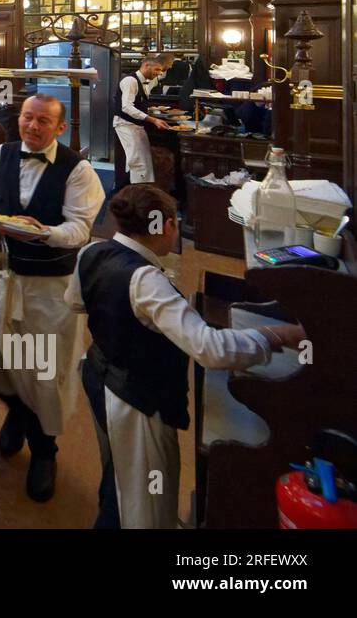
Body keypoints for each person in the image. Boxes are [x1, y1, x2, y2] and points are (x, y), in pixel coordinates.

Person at [67, 184, 305, 529]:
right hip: (137, 399)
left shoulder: (90, 253)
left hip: (97, 374)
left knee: (118, 469)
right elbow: (210, 348)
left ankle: (110, 512)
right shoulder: (145, 280)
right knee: (147, 502)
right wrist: (277, 335)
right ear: (165, 227)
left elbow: (75, 301)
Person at [0, 93, 105, 502]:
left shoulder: (78, 170)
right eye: (27, 118)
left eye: (42, 121)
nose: (32, 126)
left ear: (59, 127)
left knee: (44, 371)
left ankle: (45, 451)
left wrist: (41, 232)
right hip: (3, 276)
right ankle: (16, 410)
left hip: (50, 287)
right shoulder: (2, 155)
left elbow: (80, 229)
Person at [113, 54, 173, 186]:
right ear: (146, 65)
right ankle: (132, 196)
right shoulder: (130, 81)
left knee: (143, 163)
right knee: (137, 163)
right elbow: (127, 107)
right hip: (126, 125)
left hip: (135, 126)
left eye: (161, 71)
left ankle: (140, 194)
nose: (158, 74)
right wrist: (153, 120)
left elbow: (137, 103)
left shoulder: (141, 82)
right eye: (157, 69)